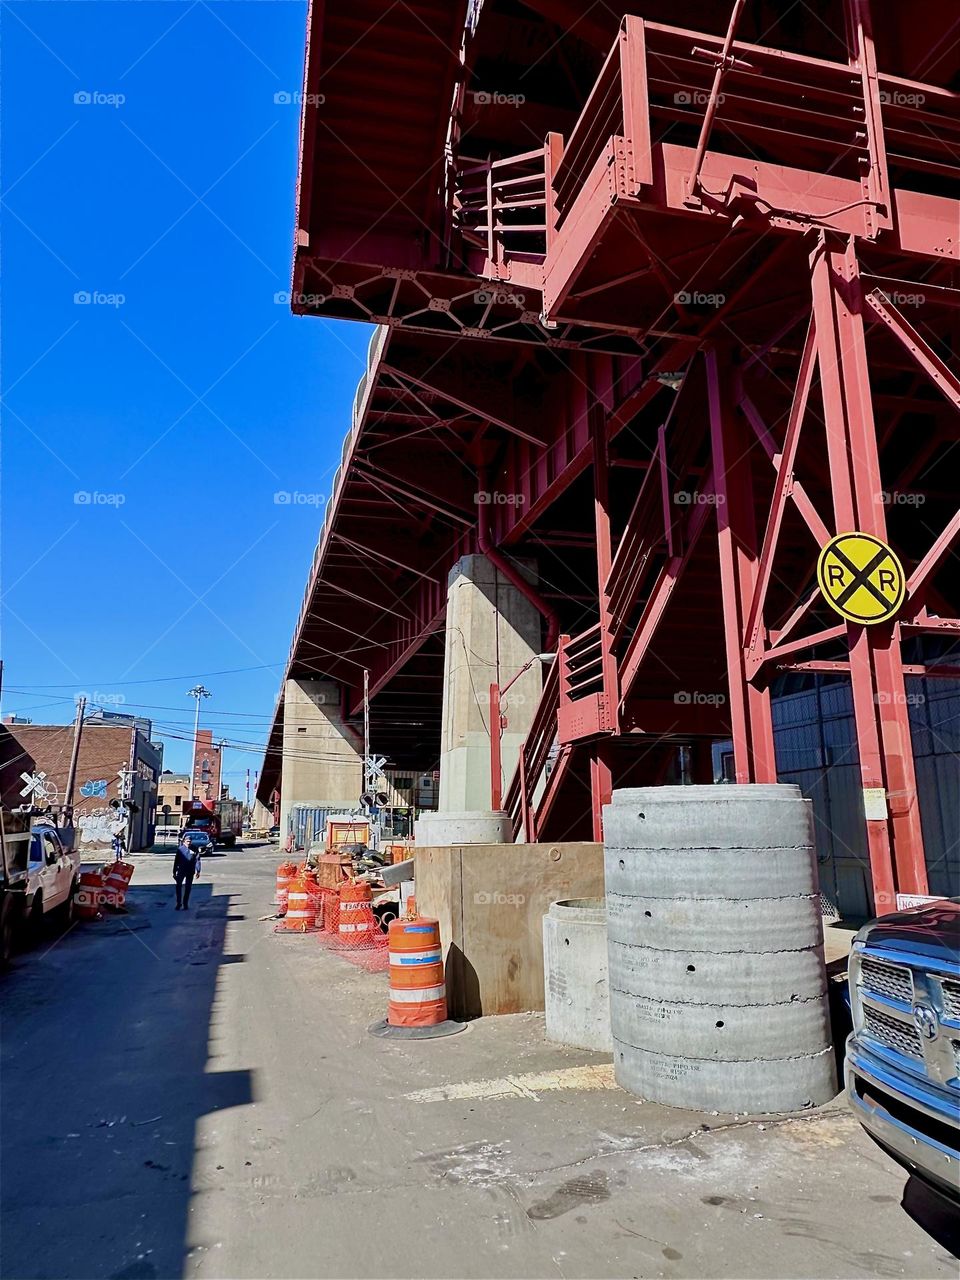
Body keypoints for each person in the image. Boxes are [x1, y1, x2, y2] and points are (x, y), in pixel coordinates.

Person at [173, 833, 200, 910]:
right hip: (181, 870)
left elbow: (197, 860)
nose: (189, 843)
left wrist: (198, 870)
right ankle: (179, 903)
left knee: (188, 887)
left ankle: (185, 903)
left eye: (190, 841)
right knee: (178, 886)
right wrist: (174, 871)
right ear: (184, 842)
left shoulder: (194, 849)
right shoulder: (180, 849)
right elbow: (176, 861)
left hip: (190, 871)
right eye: (187, 841)